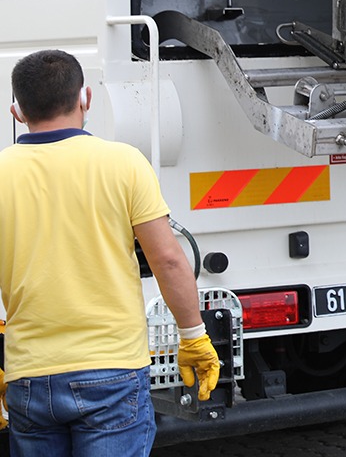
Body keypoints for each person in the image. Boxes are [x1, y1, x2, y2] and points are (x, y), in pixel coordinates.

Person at [0, 50, 221, 456]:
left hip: (29, 375)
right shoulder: (122, 163)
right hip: (112, 372)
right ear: (85, 98)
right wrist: (193, 335)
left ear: (17, 111)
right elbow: (168, 258)